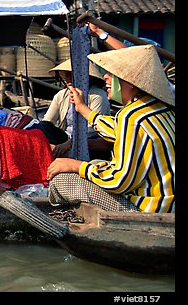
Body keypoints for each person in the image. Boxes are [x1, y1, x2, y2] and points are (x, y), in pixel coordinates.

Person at [46, 44, 175, 213]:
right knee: (96, 164)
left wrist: (76, 166)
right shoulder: (160, 108)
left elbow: (120, 181)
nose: (106, 77)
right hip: (168, 203)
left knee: (62, 180)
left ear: (132, 83)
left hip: (149, 208)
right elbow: (116, 129)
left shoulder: (132, 116)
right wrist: (82, 107)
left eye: (113, 74)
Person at [43, 59, 111, 158]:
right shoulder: (61, 95)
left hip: (89, 138)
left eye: (71, 74)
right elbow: (48, 121)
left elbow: (93, 128)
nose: (68, 78)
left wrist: (71, 143)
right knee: (42, 126)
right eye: (67, 74)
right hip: (66, 137)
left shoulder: (98, 95)